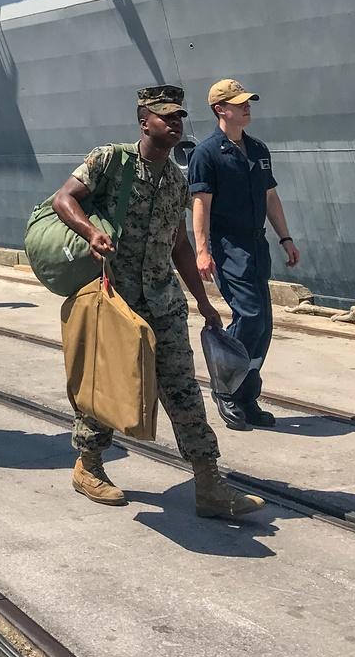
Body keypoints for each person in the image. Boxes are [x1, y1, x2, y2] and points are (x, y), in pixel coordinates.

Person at [50, 85, 264, 520]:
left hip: (164, 303)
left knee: (183, 390)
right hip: (116, 299)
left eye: (179, 117)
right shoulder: (110, 160)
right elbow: (63, 199)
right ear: (143, 121)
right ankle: (88, 465)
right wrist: (92, 232)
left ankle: (209, 484)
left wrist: (203, 302)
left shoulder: (176, 180)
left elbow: (180, 245)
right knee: (107, 383)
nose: (175, 123)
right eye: (165, 116)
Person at [189, 79, 300, 431]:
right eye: (239, 103)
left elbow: (270, 198)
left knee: (263, 325)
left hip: (257, 245)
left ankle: (248, 394)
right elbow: (200, 205)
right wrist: (202, 250)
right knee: (249, 316)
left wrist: (286, 238)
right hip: (228, 247)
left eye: (248, 101)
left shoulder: (258, 150)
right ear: (221, 110)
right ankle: (226, 390)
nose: (247, 106)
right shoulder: (206, 154)